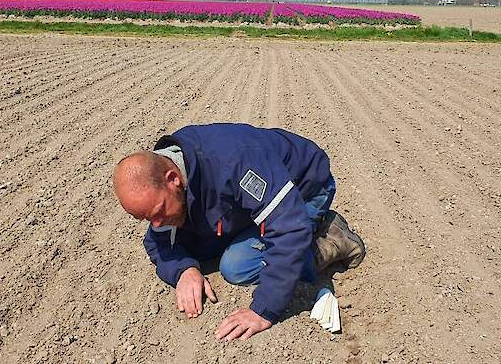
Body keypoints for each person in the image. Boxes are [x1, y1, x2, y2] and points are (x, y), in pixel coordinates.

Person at [112, 123, 366, 341]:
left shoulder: (233, 162)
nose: (156, 224)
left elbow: (288, 227)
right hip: (252, 203)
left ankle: (329, 239)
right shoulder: (168, 185)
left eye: (157, 212)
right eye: (145, 218)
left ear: (172, 179)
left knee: (238, 265)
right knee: (197, 244)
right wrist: (183, 271)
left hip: (304, 189)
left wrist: (263, 311)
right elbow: (157, 243)